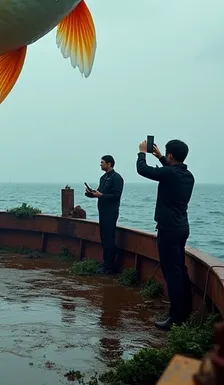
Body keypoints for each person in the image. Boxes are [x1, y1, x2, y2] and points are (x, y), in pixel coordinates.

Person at [136, 139, 195, 330]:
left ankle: (176, 318)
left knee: (172, 274)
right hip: (182, 228)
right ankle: (185, 312)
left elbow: (143, 170)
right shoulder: (188, 175)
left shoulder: (170, 174)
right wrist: (161, 156)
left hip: (168, 230)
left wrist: (142, 153)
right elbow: (170, 172)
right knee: (180, 270)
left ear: (171, 156)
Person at [85, 155, 124, 274]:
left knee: (109, 238)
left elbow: (116, 196)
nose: (100, 164)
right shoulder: (103, 178)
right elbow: (100, 192)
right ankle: (106, 263)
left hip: (111, 212)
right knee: (103, 237)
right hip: (102, 211)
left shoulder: (117, 178)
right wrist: (90, 193)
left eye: (102, 162)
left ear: (109, 164)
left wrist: (101, 196)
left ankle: (110, 266)